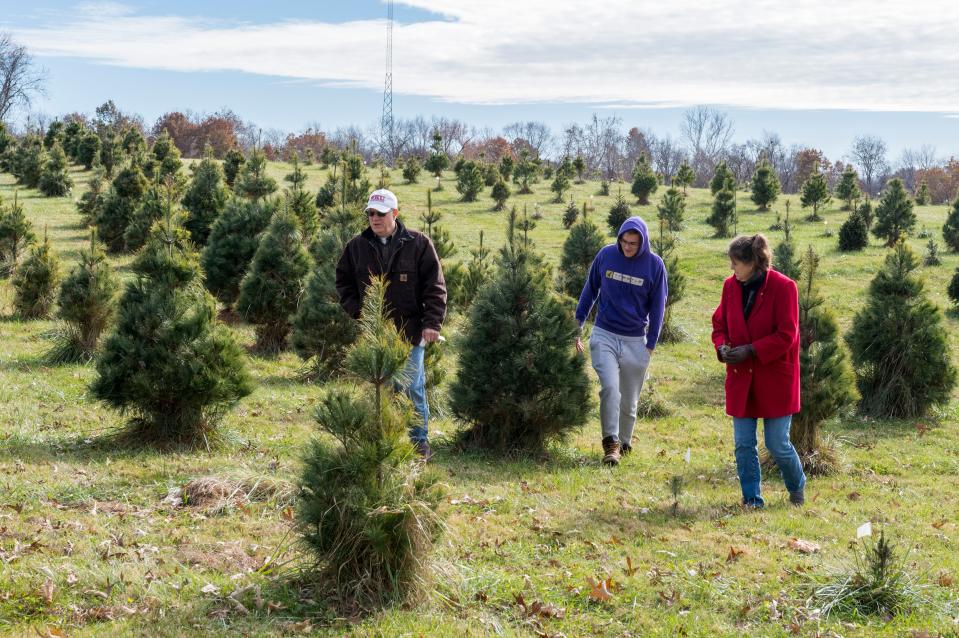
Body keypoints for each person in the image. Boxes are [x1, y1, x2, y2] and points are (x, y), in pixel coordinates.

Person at [335, 188, 447, 459]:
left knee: (411, 388)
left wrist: (432, 323)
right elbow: (343, 283)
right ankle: (383, 440)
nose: (374, 218)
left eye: (380, 213)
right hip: (374, 332)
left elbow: (435, 286)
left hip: (409, 332)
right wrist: (359, 313)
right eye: (370, 213)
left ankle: (418, 442)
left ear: (394, 214)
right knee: (381, 388)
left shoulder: (419, 244)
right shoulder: (357, 247)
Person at [711, 234, 805, 507]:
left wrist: (752, 350)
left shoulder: (784, 287)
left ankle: (796, 484)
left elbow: (787, 334)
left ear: (753, 262)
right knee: (743, 444)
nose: (732, 268)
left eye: (736, 262)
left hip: (774, 377)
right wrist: (722, 347)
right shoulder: (730, 287)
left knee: (777, 444)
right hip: (741, 378)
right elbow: (719, 325)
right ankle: (752, 498)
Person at [575, 216, 667, 466]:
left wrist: (650, 345)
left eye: (633, 243)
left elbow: (658, 307)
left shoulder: (655, 265)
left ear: (643, 242)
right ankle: (611, 443)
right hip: (604, 333)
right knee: (610, 389)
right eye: (624, 241)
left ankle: (625, 442)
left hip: (636, 340)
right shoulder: (606, 256)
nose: (627, 247)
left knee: (629, 400)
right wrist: (578, 323)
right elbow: (590, 289)